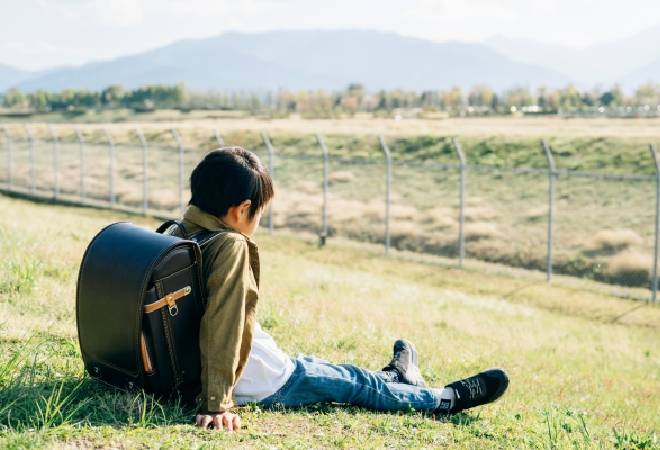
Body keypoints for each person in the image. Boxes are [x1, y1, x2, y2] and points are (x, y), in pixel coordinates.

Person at [166, 147, 509, 432]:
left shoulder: (174, 234)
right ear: (242, 210)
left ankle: (397, 375)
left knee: (335, 371)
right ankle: (444, 398)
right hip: (263, 380)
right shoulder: (229, 245)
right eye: (259, 214)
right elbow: (222, 321)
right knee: (357, 386)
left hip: (254, 364)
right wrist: (217, 403)